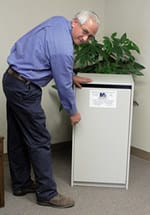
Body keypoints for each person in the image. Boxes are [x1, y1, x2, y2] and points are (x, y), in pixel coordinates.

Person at [2, 10, 100, 208]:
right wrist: (73, 112)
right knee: (40, 139)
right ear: (74, 23)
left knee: (18, 135)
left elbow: (49, 53)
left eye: (90, 35)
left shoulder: (57, 22)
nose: (86, 38)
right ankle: (47, 193)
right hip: (25, 88)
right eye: (85, 31)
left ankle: (21, 184)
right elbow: (63, 84)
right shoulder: (64, 49)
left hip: (11, 79)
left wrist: (70, 74)